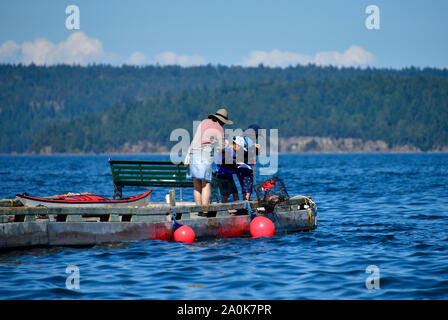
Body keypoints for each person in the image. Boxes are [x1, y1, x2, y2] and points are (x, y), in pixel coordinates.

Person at [185, 108, 232, 215]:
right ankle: (205, 211)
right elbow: (222, 146)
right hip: (204, 156)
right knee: (205, 184)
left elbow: (194, 139)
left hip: (193, 154)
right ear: (222, 121)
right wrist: (227, 142)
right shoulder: (219, 128)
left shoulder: (203, 122)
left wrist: (188, 154)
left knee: (196, 184)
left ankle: (198, 210)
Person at [216, 137, 239, 203]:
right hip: (223, 176)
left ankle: (239, 208)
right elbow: (225, 161)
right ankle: (220, 209)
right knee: (226, 194)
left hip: (229, 175)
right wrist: (235, 165)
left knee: (235, 192)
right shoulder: (222, 152)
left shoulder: (227, 151)